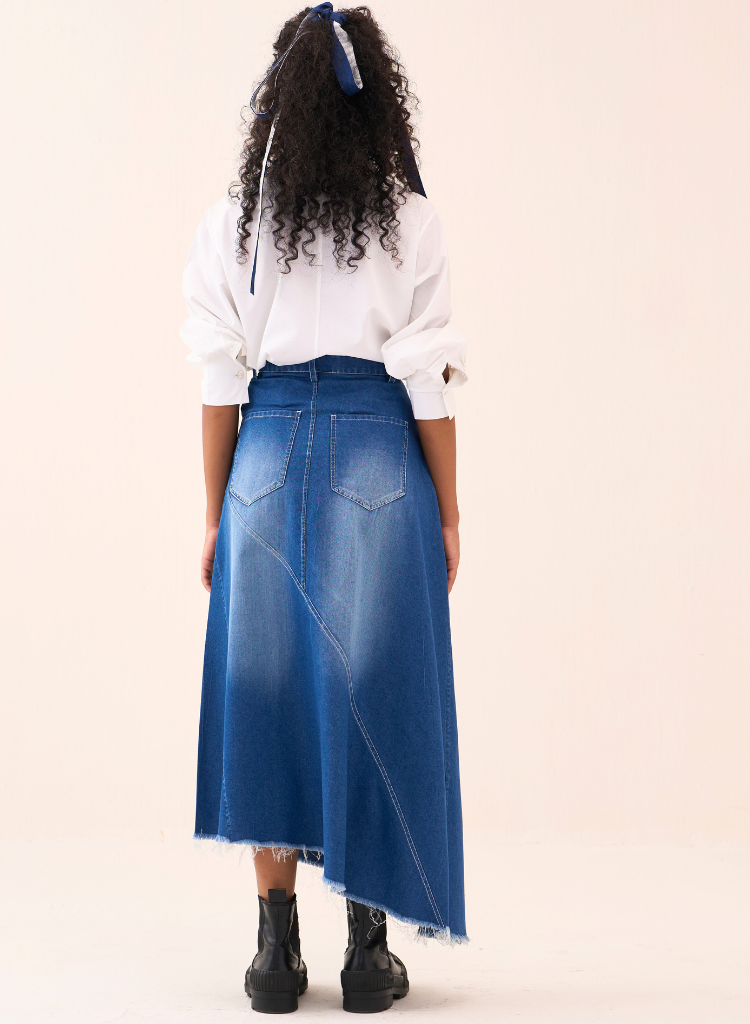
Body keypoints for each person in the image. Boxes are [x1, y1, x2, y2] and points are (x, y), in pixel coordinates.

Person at [180, 3, 468, 1013]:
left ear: (280, 105)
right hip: (377, 452)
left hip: (262, 455)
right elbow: (427, 379)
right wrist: (451, 510)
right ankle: (368, 953)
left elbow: (220, 378)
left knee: (267, 695)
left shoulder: (235, 225)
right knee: (374, 690)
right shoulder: (411, 223)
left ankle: (273, 953)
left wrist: (215, 512)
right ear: (379, 107)